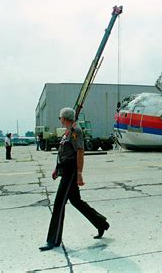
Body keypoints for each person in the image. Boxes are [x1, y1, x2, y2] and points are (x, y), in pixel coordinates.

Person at [39, 107, 109, 252]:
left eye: (60, 118)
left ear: (64, 118)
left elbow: (80, 153)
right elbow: (63, 153)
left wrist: (79, 174)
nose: (60, 121)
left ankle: (53, 240)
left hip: (71, 172)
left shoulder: (75, 132)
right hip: (65, 171)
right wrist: (56, 169)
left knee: (59, 204)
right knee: (76, 201)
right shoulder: (67, 132)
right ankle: (101, 223)